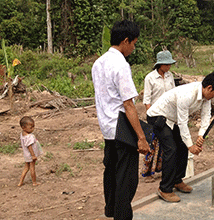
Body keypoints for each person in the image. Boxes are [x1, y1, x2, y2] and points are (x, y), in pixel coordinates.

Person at [92, 20, 150, 220]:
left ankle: (111, 211)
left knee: (111, 172)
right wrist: (141, 137)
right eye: (133, 43)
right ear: (126, 41)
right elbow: (129, 105)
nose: (133, 48)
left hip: (107, 129)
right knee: (126, 179)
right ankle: (122, 216)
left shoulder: (98, 63)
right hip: (122, 129)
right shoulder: (121, 65)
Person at [147, 71, 214, 202]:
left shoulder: (206, 97)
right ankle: (164, 189)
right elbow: (183, 123)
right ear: (209, 88)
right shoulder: (187, 94)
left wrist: (201, 135)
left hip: (172, 120)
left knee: (182, 146)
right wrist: (191, 145)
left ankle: (176, 180)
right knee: (171, 149)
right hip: (158, 117)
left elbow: (206, 117)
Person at [141, 50, 176, 182]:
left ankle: (161, 169)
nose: (168, 67)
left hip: (168, 114)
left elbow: (173, 94)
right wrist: (151, 116)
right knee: (153, 143)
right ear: (160, 64)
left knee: (166, 143)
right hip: (155, 114)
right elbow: (147, 99)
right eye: (166, 64)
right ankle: (148, 172)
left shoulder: (170, 76)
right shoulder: (150, 78)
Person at [18, 116, 43, 187]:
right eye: (31, 127)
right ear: (23, 127)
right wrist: (33, 155)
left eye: (33, 127)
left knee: (26, 168)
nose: (33, 129)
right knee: (32, 168)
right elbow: (30, 147)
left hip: (26, 154)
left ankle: (20, 182)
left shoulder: (22, 134)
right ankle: (34, 182)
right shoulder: (29, 137)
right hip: (30, 155)